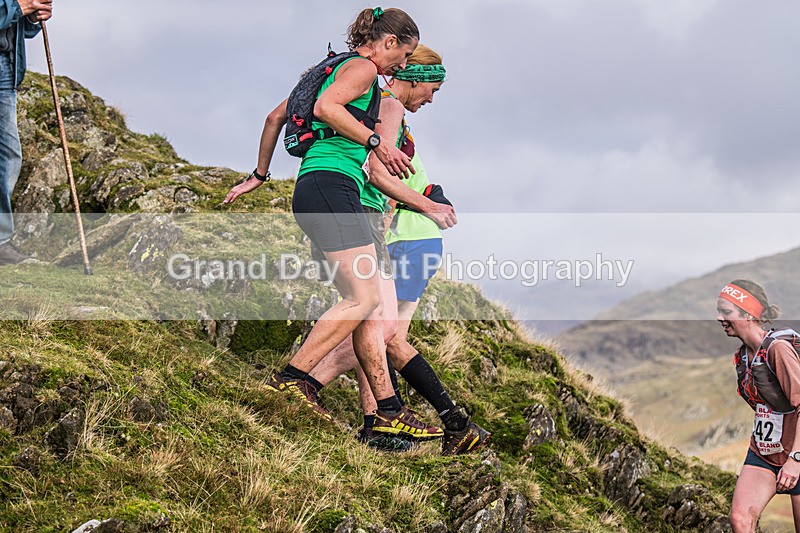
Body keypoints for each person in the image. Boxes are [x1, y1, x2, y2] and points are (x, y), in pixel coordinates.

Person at [224, 8, 419, 429]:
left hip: (314, 186)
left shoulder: (328, 67)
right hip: (335, 186)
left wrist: (260, 174)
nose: (400, 67)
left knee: (363, 302)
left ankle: (385, 412)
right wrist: (376, 143)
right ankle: (294, 379)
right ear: (387, 42)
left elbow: (275, 117)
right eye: (402, 56)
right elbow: (327, 107)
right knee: (365, 299)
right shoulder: (363, 68)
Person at [306, 45, 490, 456]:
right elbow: (378, 170)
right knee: (379, 329)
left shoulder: (381, 107)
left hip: (408, 234)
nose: (431, 100)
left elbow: (377, 171)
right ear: (415, 79)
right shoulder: (388, 108)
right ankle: (405, 425)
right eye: (433, 90)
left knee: (380, 329)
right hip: (410, 236)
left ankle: (327, 395)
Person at [719, 280, 800, 532]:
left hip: (797, 453)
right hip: (764, 452)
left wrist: (795, 459)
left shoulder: (778, 350)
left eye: (726, 311)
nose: (719, 317)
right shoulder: (742, 357)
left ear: (747, 313)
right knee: (740, 519)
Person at [0, 0, 52, 264]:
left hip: (6, 68)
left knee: (8, 156)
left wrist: (32, 17)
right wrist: (21, 6)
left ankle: (0, 241)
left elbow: (19, 28)